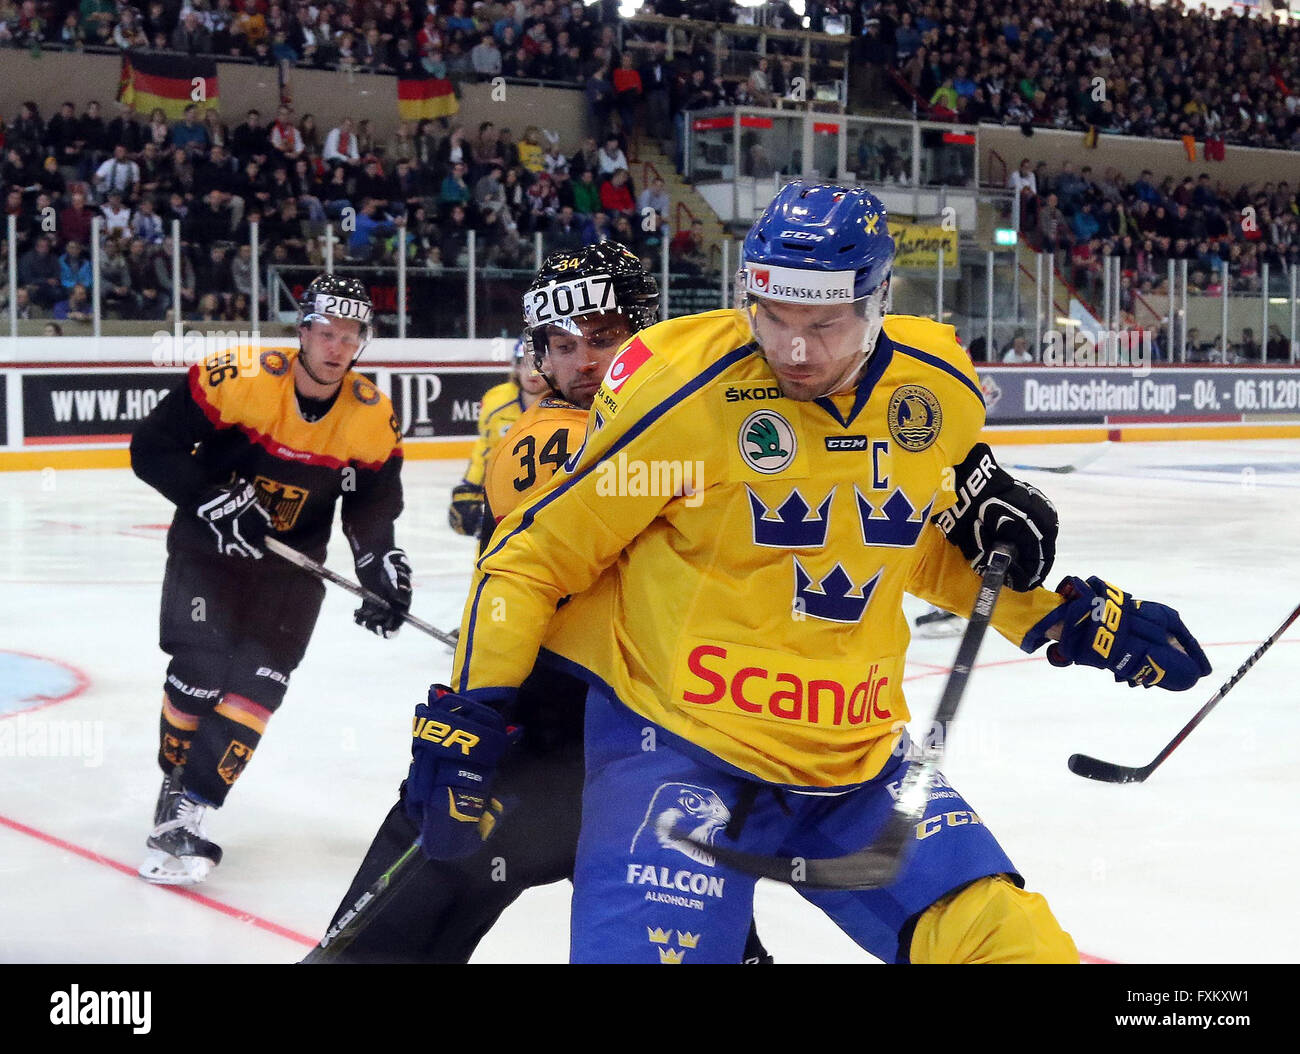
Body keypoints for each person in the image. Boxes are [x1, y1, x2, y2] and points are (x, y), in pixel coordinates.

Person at [407, 181, 1212, 964]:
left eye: (823, 323)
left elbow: (906, 541)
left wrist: (1060, 614)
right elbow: (537, 553)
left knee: (1015, 949)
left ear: (876, 301)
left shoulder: (932, 393)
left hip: (856, 764)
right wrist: (469, 710)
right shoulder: (683, 393)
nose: (795, 349)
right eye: (774, 317)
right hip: (678, 751)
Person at [321, 243, 771, 964]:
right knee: (381, 945)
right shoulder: (547, 440)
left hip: (656, 755)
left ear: (643, 333)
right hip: (530, 746)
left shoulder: (705, 426)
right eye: (563, 346)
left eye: (603, 339)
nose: (584, 363)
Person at [129, 275, 411, 886]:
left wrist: (377, 562)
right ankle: (173, 785)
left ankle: (192, 812)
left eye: (352, 335)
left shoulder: (371, 413)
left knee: (259, 685)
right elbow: (151, 447)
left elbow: (369, 503)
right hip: (209, 553)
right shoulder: (238, 379)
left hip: (290, 568)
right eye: (326, 332)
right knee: (199, 675)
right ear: (303, 330)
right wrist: (208, 497)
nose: (338, 347)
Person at [447, 337, 550, 538]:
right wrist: (469, 489)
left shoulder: (567, 403)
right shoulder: (496, 402)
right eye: (524, 362)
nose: (532, 370)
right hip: (501, 503)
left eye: (540, 362)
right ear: (516, 367)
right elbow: (485, 450)